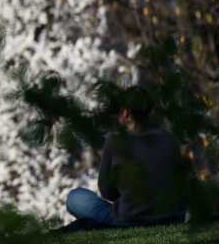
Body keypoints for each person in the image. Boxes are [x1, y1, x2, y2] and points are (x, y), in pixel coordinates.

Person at [65, 86, 186, 228]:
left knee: (75, 198)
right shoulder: (170, 139)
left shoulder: (115, 140)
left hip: (131, 219)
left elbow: (106, 191)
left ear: (126, 114)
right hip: (172, 217)